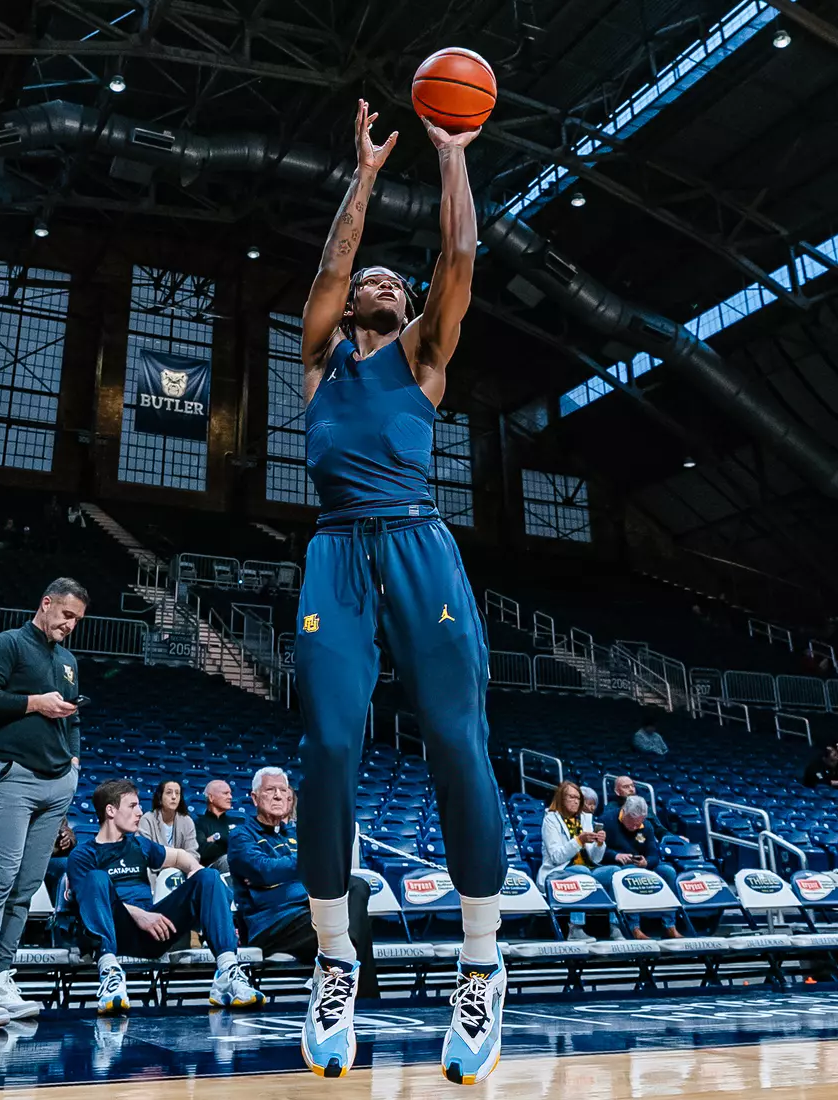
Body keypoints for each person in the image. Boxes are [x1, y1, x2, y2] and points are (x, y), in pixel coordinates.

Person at [296, 98, 504, 1083]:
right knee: (330, 740)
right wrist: (367, 177)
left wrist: (451, 155)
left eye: (392, 278)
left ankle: (478, 962)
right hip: (334, 552)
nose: (374, 280)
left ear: (410, 305)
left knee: (459, 742)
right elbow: (333, 267)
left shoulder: (424, 359)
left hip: (418, 543)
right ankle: (335, 957)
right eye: (368, 279)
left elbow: (459, 258)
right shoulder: (317, 358)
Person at [0, 577, 87, 1030]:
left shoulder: (69, 661)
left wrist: (73, 763)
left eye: (77, 619)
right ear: (46, 603)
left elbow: (73, 717)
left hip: (57, 784)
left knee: (26, 886)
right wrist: (35, 702)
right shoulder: (8, 644)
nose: (70, 624)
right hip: (13, 776)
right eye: (66, 614)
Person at [67, 779, 264, 1016]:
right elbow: (83, 901)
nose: (140, 812)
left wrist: (198, 875)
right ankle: (110, 976)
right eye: (132, 806)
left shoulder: (139, 845)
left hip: (153, 932)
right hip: (113, 933)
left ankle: (227, 973)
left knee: (209, 876)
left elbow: (180, 856)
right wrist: (140, 915)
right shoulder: (83, 854)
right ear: (110, 810)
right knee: (96, 879)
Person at [229, 768, 378, 997]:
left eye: (284, 791)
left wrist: (284, 873)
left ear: (290, 799)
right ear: (254, 797)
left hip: (307, 915)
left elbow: (323, 869)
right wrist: (306, 866)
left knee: (356, 886)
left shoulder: (299, 835)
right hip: (273, 925)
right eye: (270, 790)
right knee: (350, 927)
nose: (278, 795)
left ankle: (337, 980)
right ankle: (360, 997)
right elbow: (264, 871)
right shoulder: (242, 835)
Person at [595, 796, 682, 941]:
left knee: (668, 871)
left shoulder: (646, 825)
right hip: (614, 865)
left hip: (638, 864)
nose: (635, 827)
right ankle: (634, 927)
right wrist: (616, 855)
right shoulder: (606, 821)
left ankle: (670, 926)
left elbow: (653, 853)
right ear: (624, 812)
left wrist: (646, 862)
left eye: (638, 823)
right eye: (632, 823)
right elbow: (595, 852)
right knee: (629, 873)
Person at [536, 781, 605, 942]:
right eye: (571, 797)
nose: (576, 801)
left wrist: (600, 844)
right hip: (558, 871)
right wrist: (579, 841)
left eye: (578, 798)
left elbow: (595, 858)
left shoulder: (585, 819)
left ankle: (617, 927)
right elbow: (556, 857)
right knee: (582, 873)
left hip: (587, 868)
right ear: (561, 798)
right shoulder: (550, 820)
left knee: (614, 873)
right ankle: (576, 928)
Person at [139, 780, 199, 883]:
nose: (174, 797)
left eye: (177, 793)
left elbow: (192, 853)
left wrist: (179, 865)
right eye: (169, 792)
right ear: (160, 798)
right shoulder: (147, 819)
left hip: (181, 870)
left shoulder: (187, 821)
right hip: (155, 871)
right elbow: (144, 853)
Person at [603, 776, 670, 842]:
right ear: (617, 791)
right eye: (626, 787)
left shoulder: (644, 807)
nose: (631, 789)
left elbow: (660, 830)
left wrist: (674, 838)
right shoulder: (611, 809)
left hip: (647, 844)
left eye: (632, 786)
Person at [194, 780, 239, 874]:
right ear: (211, 798)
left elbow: (245, 846)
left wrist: (216, 839)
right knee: (228, 860)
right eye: (225, 793)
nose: (230, 797)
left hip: (238, 863)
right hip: (211, 870)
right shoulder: (198, 824)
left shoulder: (237, 822)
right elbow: (202, 851)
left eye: (230, 793)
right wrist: (228, 842)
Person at [44, 817, 77, 902]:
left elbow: (64, 830)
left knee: (69, 864)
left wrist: (67, 839)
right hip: (20, 857)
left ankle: (63, 912)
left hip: (47, 857)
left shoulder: (54, 805)